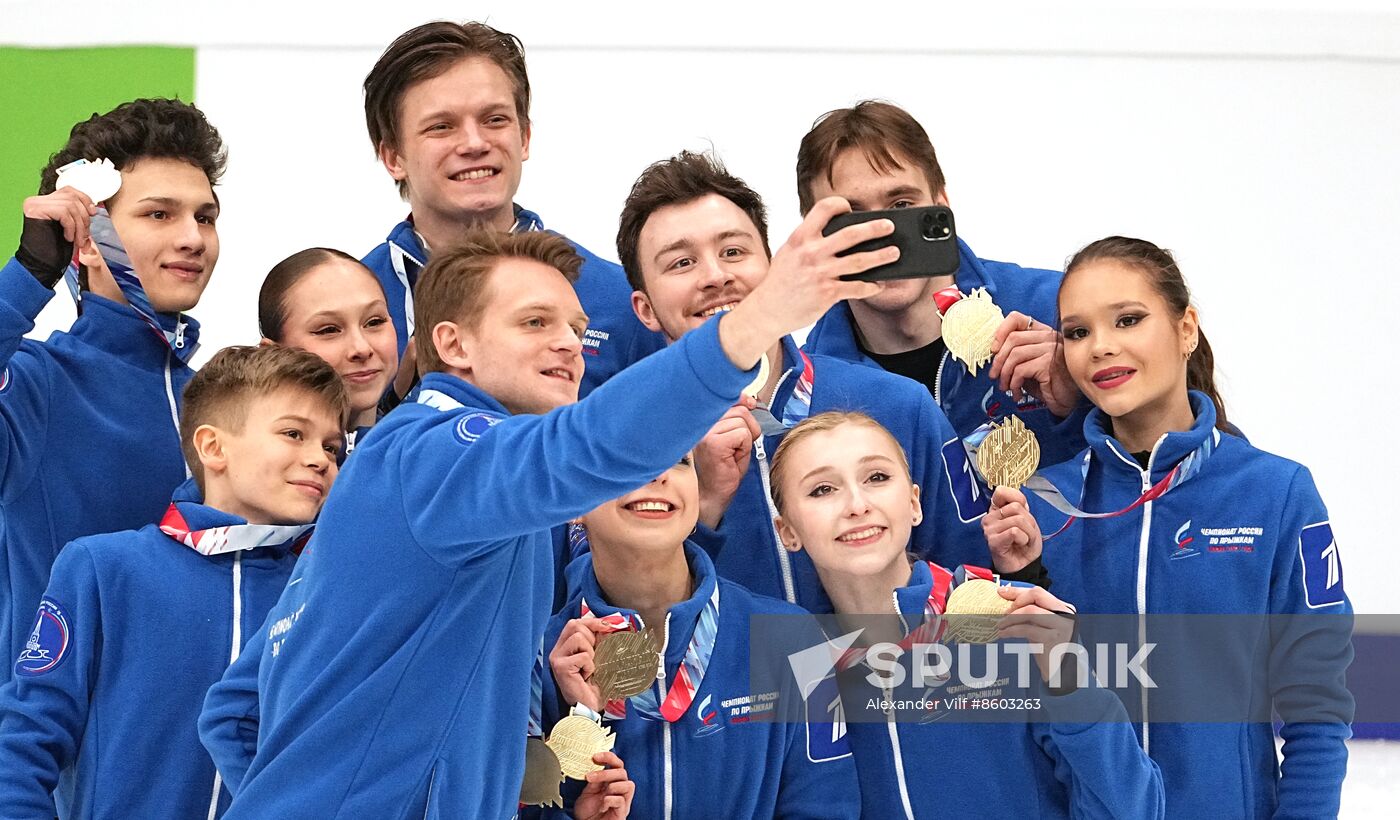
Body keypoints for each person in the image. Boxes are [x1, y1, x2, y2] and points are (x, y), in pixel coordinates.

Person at [204, 205, 893, 818]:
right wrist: (759, 320)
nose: (568, 342)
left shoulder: (428, 476)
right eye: (536, 322)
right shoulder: (435, 455)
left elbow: (234, 709)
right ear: (454, 344)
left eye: (575, 326)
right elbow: (587, 446)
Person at [1030, 236, 1353, 819]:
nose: (1101, 347)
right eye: (1077, 332)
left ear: (1186, 329)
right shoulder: (1043, 505)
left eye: (1128, 319)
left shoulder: (1275, 493)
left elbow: (1317, 707)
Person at [616, 150, 1003, 612]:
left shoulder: (899, 405)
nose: (716, 276)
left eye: (733, 251)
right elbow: (626, 613)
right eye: (681, 263)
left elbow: (971, 574)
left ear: (776, 266)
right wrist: (704, 508)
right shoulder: (622, 446)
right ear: (644, 308)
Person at [0, 345, 347, 819]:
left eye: (332, 447)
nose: (320, 459)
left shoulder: (324, 598)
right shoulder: (104, 569)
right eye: (293, 433)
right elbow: (24, 742)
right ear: (212, 447)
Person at [769, 411, 1165, 820]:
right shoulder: (806, 668)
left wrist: (1072, 685)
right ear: (788, 532)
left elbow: (1133, 810)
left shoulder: (1012, 614)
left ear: (914, 503)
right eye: (822, 489)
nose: (857, 505)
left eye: (877, 478)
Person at [0, 98, 225, 679]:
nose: (193, 238)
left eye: (205, 216)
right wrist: (27, 274)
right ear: (89, 242)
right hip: (60, 761)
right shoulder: (37, 384)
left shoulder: (222, 400)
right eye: (159, 214)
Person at [543, 455, 860, 818]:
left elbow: (828, 807)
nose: (659, 472)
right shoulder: (539, 660)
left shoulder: (800, 640)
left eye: (679, 459)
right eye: (626, 455)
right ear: (573, 500)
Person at [360, 20, 661, 397]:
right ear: (393, 156)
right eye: (441, 126)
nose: (473, 143)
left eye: (495, 120)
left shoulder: (621, 302)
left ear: (524, 137)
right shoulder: (342, 312)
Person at [795, 100, 1086, 466]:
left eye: (901, 205)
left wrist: (1081, 402)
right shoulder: (809, 389)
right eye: (851, 218)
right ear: (814, 232)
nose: (883, 236)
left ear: (941, 203)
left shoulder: (1062, 311)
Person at [258, 247, 400, 451]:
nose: (361, 348)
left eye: (374, 322)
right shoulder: (243, 467)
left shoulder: (425, 454)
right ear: (271, 354)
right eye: (329, 330)